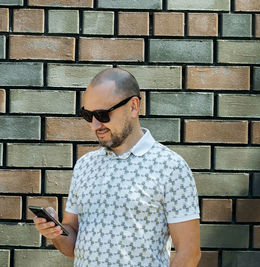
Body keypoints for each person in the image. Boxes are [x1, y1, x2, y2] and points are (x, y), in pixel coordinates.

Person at [34, 68, 201, 267]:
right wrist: (56, 233)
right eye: (88, 115)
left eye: (103, 114)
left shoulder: (170, 167)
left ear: (133, 106)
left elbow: (189, 253)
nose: (95, 125)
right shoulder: (85, 165)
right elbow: (72, 248)